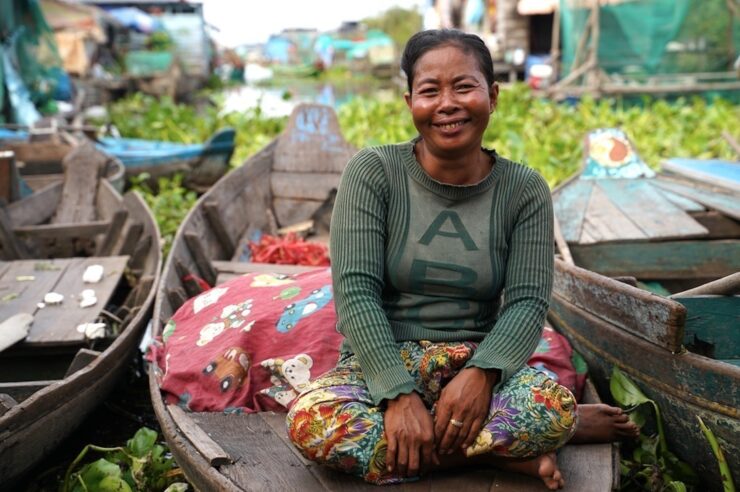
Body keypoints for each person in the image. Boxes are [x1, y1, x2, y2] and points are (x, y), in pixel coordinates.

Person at [286, 29, 636, 489]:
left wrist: (482, 375)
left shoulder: (523, 189)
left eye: (464, 87)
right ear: (410, 102)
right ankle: (500, 459)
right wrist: (396, 394)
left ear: (492, 96)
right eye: (430, 91)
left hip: (476, 359)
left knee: (550, 407)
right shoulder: (374, 173)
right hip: (382, 360)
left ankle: (429, 447)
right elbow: (355, 293)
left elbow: (528, 302)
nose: (447, 104)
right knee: (312, 422)